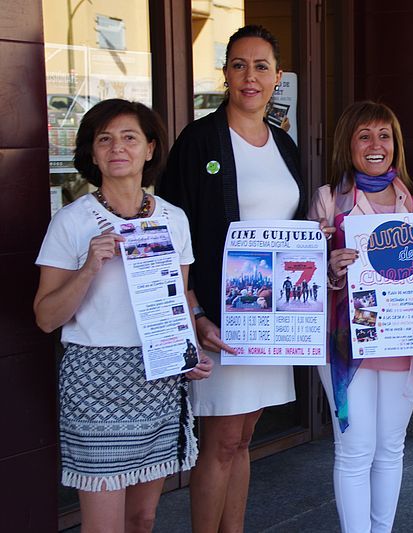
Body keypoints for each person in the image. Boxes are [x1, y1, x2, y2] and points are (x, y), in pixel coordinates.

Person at [33, 99, 213, 533]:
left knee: (143, 516)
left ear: (149, 149)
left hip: (157, 377)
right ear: (92, 154)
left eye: (130, 137)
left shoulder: (174, 218)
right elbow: (45, 317)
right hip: (96, 380)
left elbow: (180, 296)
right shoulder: (73, 222)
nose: (118, 147)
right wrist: (90, 266)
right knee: (104, 525)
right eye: (105, 139)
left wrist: (187, 353)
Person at [157, 25, 306, 532]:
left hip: (274, 321)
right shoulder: (199, 141)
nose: (250, 77)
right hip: (223, 318)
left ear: (277, 76)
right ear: (225, 73)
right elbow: (171, 232)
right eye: (239, 65)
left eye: (261, 66)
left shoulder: (284, 144)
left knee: (244, 440)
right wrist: (193, 309)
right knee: (220, 441)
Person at [310, 101, 413, 533]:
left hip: (403, 338)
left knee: (391, 447)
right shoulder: (328, 200)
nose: (376, 145)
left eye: (384, 135)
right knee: (355, 448)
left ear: (396, 144)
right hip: (347, 341)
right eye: (364, 136)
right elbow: (302, 279)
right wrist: (330, 268)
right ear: (349, 144)